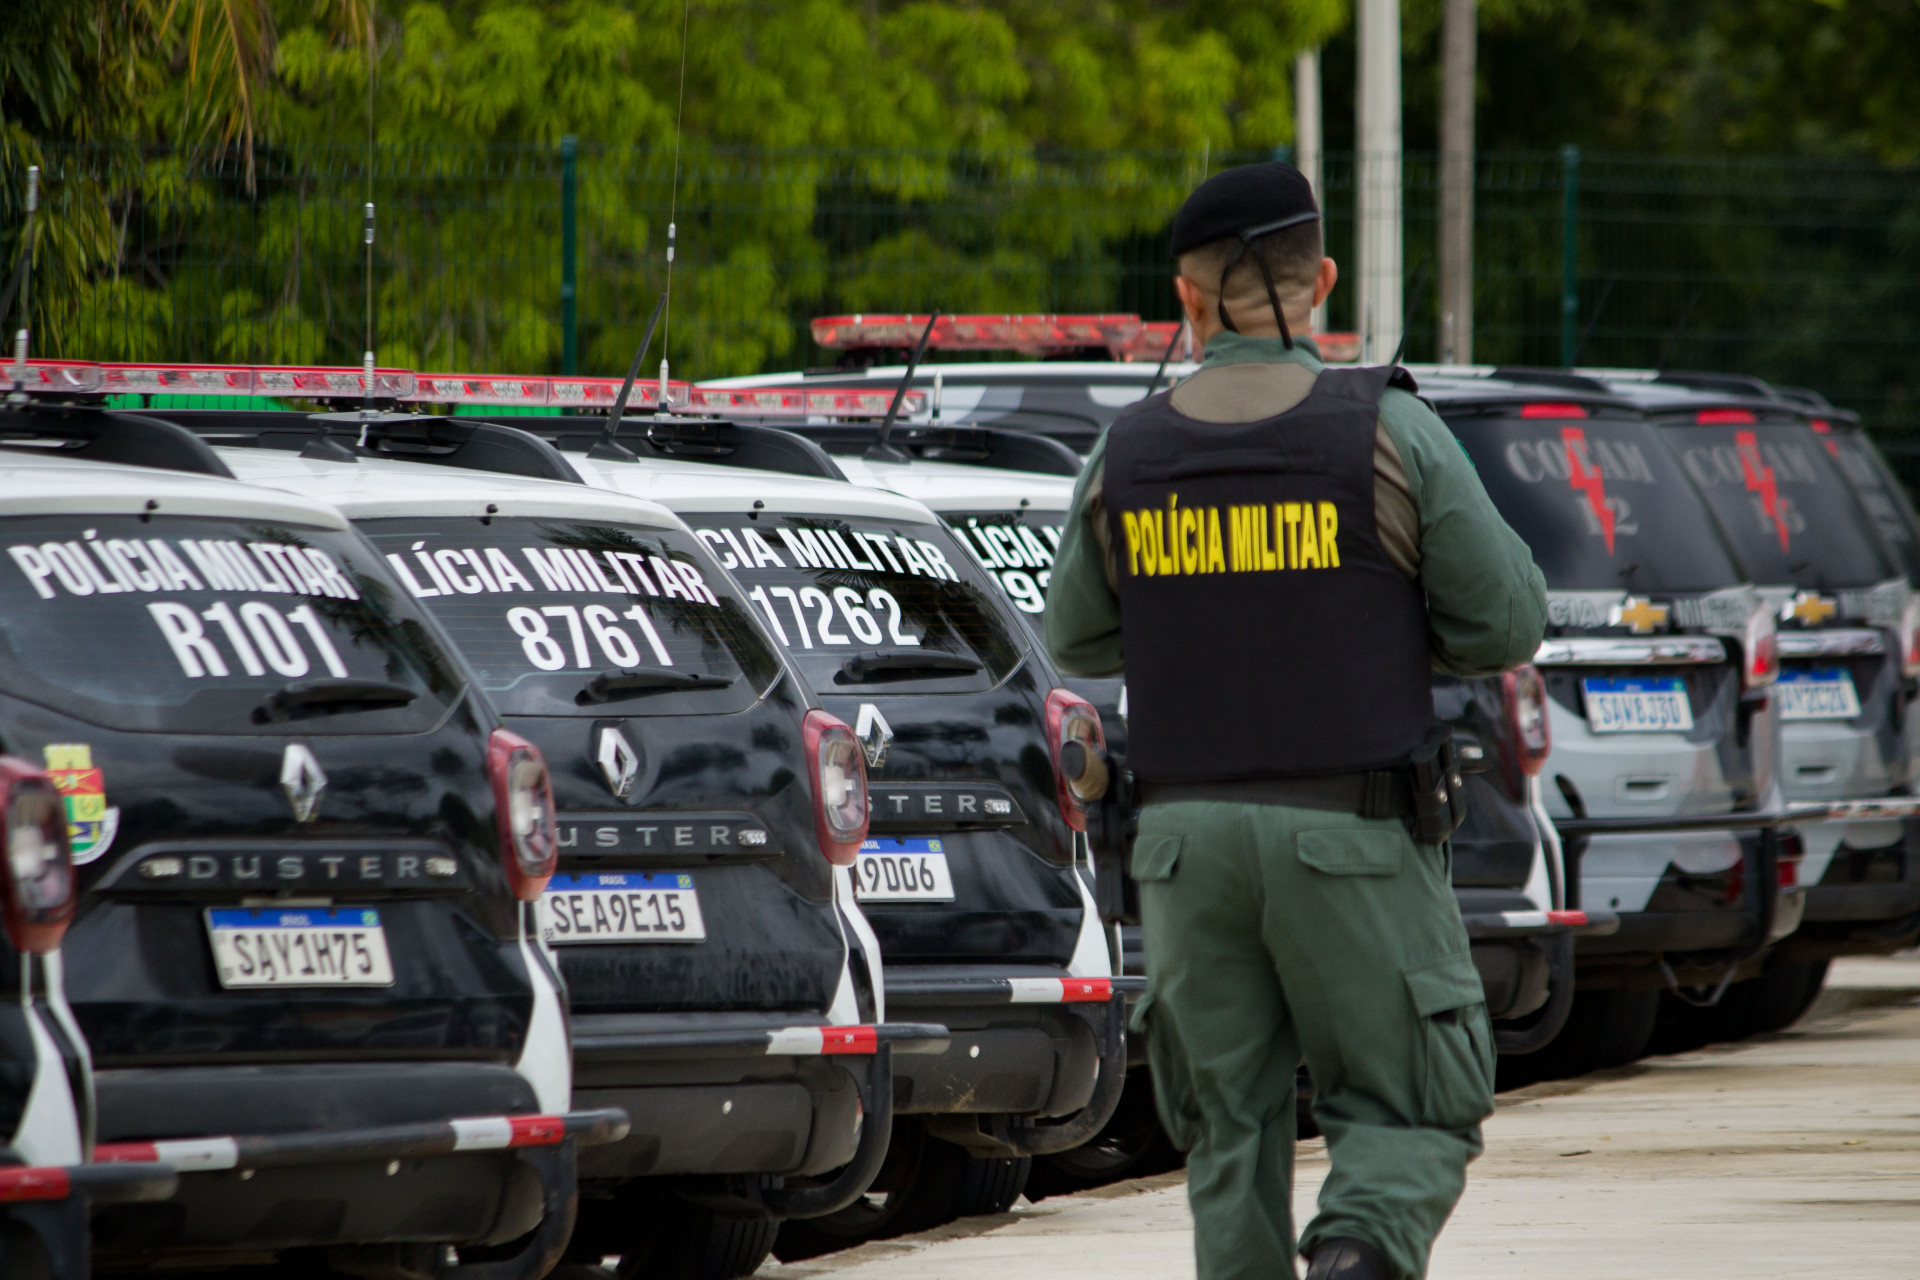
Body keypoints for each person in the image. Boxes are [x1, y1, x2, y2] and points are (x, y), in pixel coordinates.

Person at [1045, 162, 1547, 1280]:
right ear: (1319, 280)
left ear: (1186, 299)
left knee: (1229, 1134)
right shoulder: (1389, 430)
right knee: (1411, 1106)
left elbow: (1076, 639)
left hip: (1183, 848)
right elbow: (1508, 616)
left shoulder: (1128, 451)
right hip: (1355, 837)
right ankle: (1359, 1255)